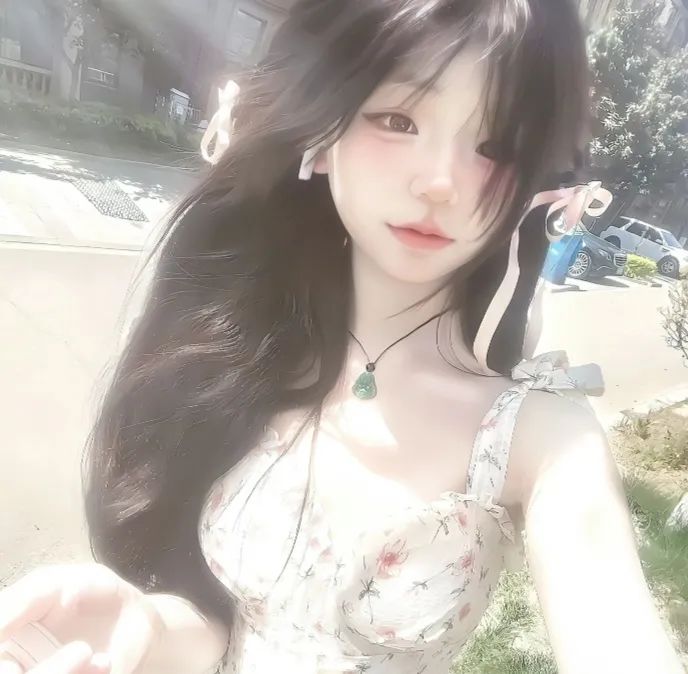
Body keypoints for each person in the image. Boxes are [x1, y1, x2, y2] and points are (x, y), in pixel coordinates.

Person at [0, 1, 684, 673]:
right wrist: (148, 627)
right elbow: (226, 621)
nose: (439, 182)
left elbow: (614, 626)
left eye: (496, 146)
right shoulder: (242, 348)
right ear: (325, 129)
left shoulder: (541, 441)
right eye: (398, 119)